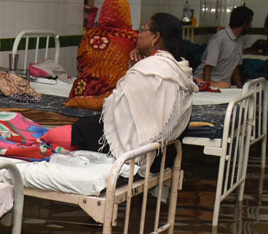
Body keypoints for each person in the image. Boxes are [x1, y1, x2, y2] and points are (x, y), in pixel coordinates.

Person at [42, 12, 196, 157]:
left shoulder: (150, 68)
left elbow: (117, 108)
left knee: (70, 132)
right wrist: (135, 65)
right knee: (81, 128)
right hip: (163, 152)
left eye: (143, 29)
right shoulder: (176, 66)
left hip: (137, 150)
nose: (138, 33)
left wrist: (137, 67)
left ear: (155, 37)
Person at [195, 5, 253, 87]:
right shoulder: (220, 38)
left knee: (227, 85)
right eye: (250, 23)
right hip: (204, 81)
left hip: (222, 83)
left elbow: (235, 67)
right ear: (245, 24)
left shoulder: (239, 41)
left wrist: (240, 88)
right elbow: (207, 67)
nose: (250, 26)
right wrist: (207, 89)